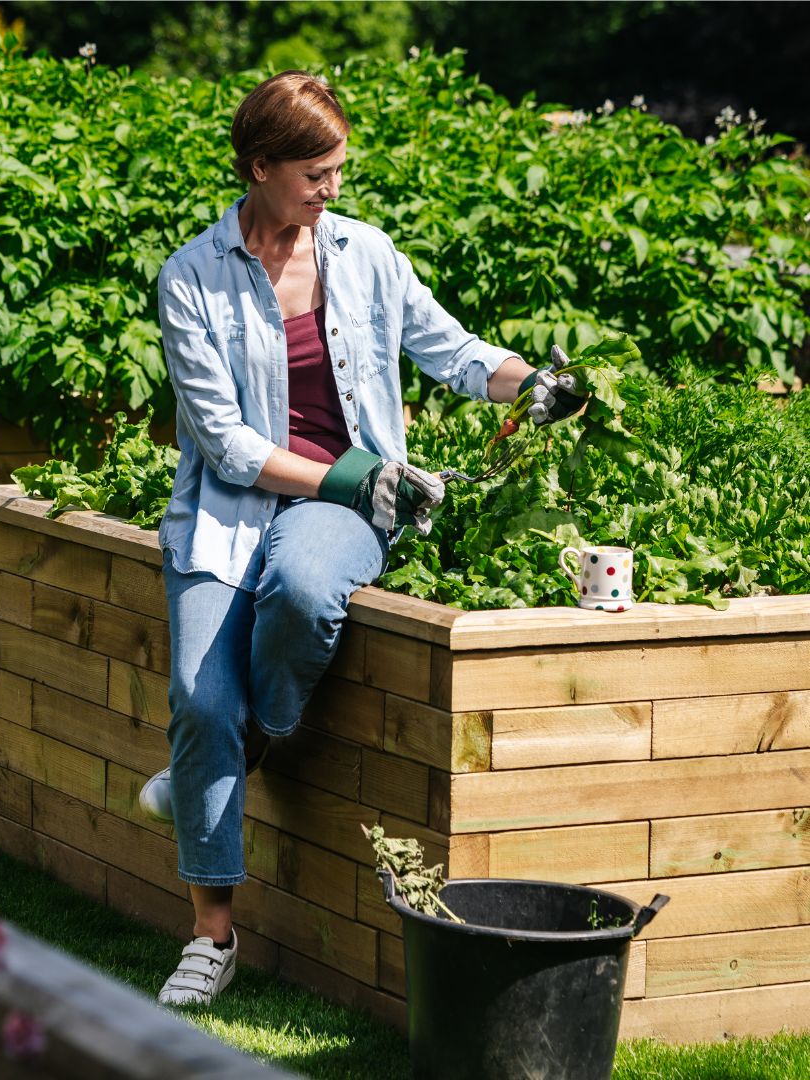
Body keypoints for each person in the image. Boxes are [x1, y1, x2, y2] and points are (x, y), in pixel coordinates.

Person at [139, 71, 586, 1006]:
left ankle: (238, 751)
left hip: (337, 515)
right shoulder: (192, 277)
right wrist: (355, 469)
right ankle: (212, 937)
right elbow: (222, 441)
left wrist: (527, 384)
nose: (332, 188)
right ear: (259, 167)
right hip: (227, 512)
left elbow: (450, 349)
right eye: (314, 172)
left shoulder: (366, 253)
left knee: (302, 593)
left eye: (340, 168)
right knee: (194, 696)